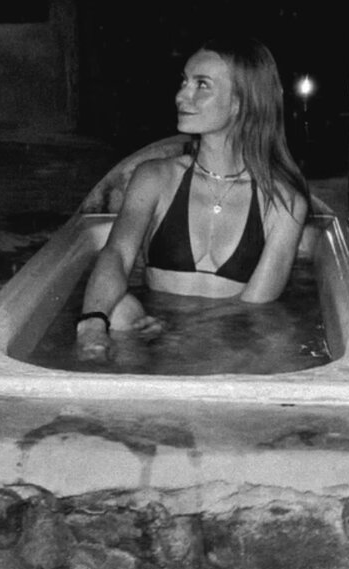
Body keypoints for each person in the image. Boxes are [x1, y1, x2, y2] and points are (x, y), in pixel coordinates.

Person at [75, 35, 310, 361]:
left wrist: (183, 338)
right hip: (152, 335)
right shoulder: (155, 177)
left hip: (233, 343)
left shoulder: (283, 202)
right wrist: (92, 323)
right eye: (184, 82)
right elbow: (116, 254)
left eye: (202, 85)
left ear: (241, 103)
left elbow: (256, 313)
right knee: (117, 310)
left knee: (280, 344)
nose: (181, 95)